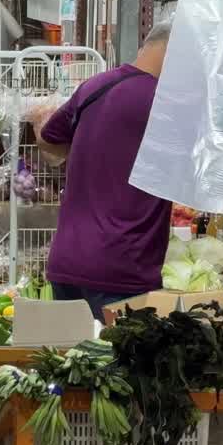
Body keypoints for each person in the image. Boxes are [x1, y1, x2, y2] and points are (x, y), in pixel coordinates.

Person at [40, 23, 172, 320]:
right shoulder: (166, 102)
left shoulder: (95, 85)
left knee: (74, 362)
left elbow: (48, 138)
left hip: (67, 262)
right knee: (122, 364)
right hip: (122, 267)